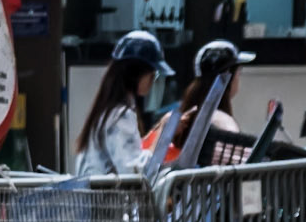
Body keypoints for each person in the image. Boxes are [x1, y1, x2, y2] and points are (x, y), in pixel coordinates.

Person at [75, 30, 168, 177]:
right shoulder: (119, 116)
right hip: (106, 199)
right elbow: (134, 171)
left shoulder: (109, 111)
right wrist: (163, 134)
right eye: (152, 74)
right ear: (135, 73)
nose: (152, 81)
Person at [169, 39, 253, 151]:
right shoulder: (221, 120)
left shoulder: (183, 116)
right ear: (229, 75)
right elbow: (239, 155)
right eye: (239, 72)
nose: (239, 78)